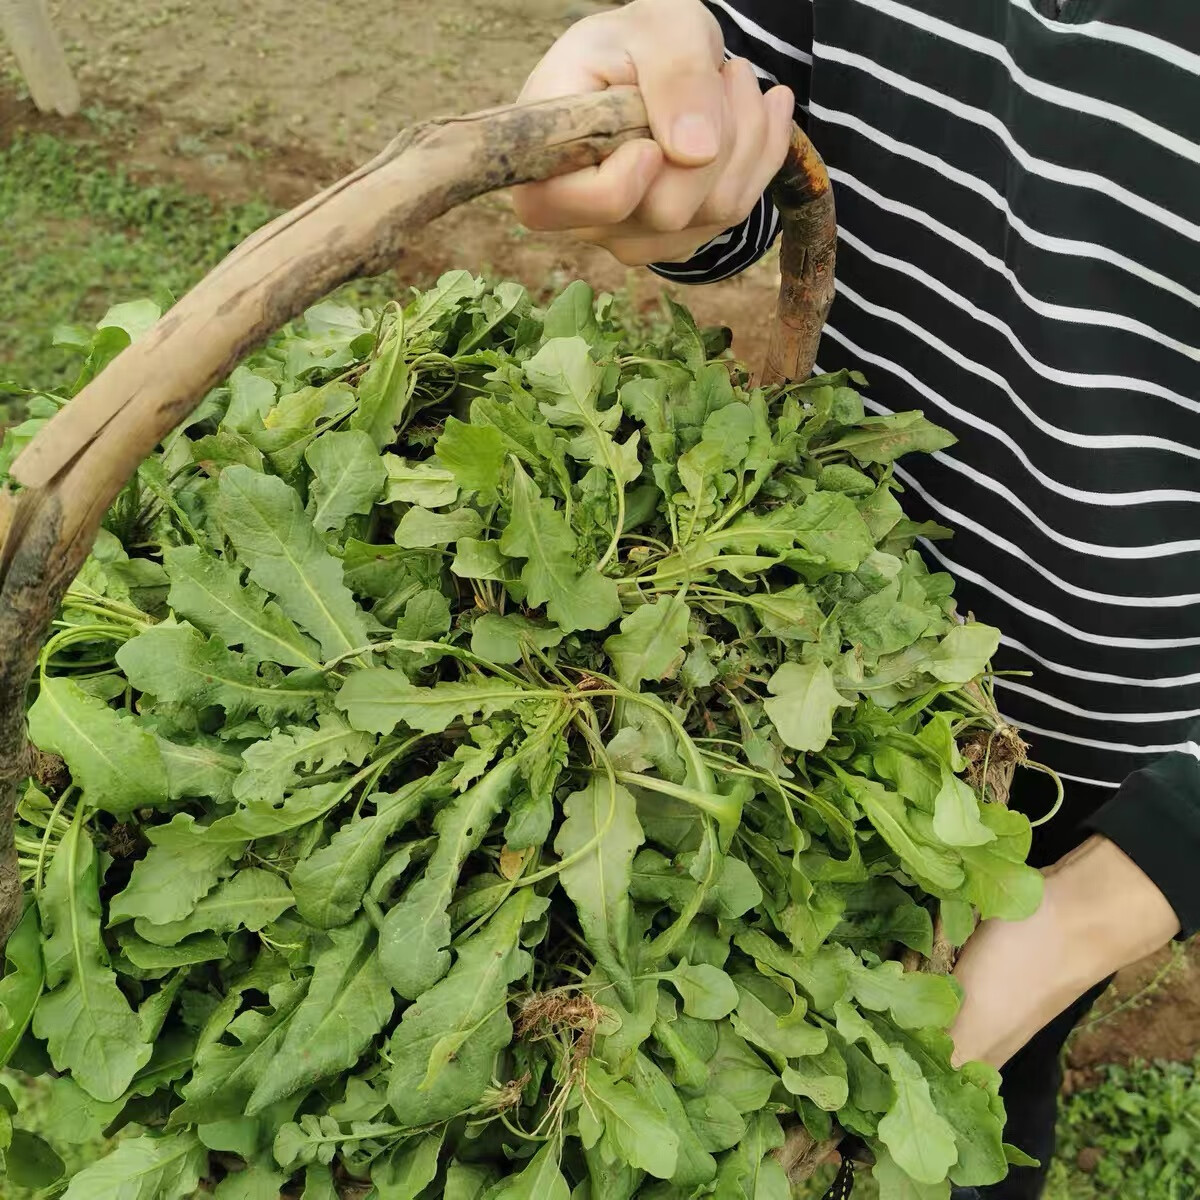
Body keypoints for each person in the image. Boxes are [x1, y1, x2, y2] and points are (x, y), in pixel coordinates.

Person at [513, 1, 1200, 1196]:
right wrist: (651, 124)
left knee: (948, 1110)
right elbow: (750, 120)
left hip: (1100, 781)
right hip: (795, 637)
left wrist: (1083, 919)